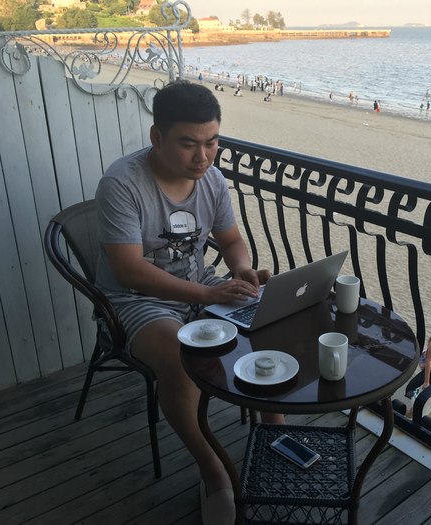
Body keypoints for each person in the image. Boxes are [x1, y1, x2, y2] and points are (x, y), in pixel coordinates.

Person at [95, 81, 280, 525]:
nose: (204, 156)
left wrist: (242, 271)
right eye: (189, 144)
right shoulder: (122, 183)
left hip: (199, 284)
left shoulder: (211, 179)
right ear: (157, 136)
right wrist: (209, 294)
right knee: (180, 361)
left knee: (269, 323)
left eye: (212, 142)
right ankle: (214, 475)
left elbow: (231, 241)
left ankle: (274, 443)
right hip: (135, 300)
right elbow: (129, 271)